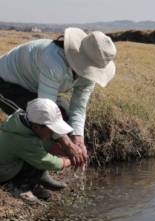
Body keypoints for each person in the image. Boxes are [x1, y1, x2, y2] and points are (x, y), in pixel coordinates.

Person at [0, 27, 117, 174]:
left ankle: (41, 170)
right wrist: (68, 146)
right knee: (36, 124)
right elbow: (44, 115)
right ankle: (29, 177)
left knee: (64, 117)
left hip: (37, 87)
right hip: (7, 82)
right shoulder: (53, 61)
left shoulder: (89, 76)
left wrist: (78, 139)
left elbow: (78, 108)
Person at [0, 98, 73, 202]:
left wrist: (55, 148)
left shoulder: (23, 122)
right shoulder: (24, 140)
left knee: (37, 153)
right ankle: (19, 187)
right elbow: (45, 161)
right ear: (37, 127)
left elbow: (42, 144)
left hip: (11, 160)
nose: (53, 133)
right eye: (51, 130)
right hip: (4, 171)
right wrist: (66, 161)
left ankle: (39, 178)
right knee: (37, 160)